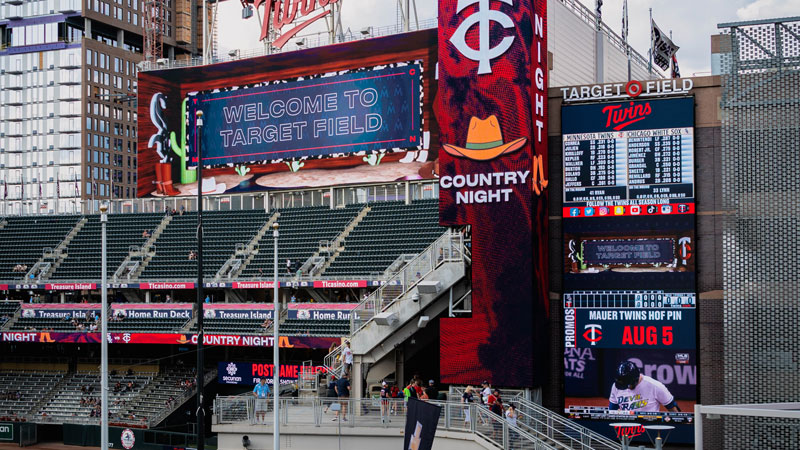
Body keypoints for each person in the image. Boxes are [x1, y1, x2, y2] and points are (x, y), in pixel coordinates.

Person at [609, 361, 680, 412]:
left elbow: (674, 410)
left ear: (635, 380)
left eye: (628, 385)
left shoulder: (655, 386)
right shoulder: (616, 386)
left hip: (649, 428)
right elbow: (612, 411)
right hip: (626, 430)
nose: (627, 388)